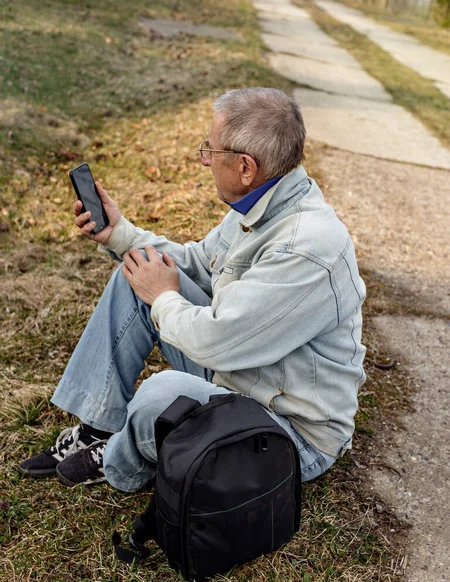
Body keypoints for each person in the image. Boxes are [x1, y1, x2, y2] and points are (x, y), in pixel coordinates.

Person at [19, 88, 366, 491]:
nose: (204, 159)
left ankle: (119, 462)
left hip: (290, 432)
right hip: (248, 376)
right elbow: (199, 264)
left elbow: (218, 341)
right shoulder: (263, 204)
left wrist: (164, 297)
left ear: (246, 167)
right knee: (137, 271)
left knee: (162, 393)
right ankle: (98, 427)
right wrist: (121, 236)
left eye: (211, 151)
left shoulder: (304, 248)